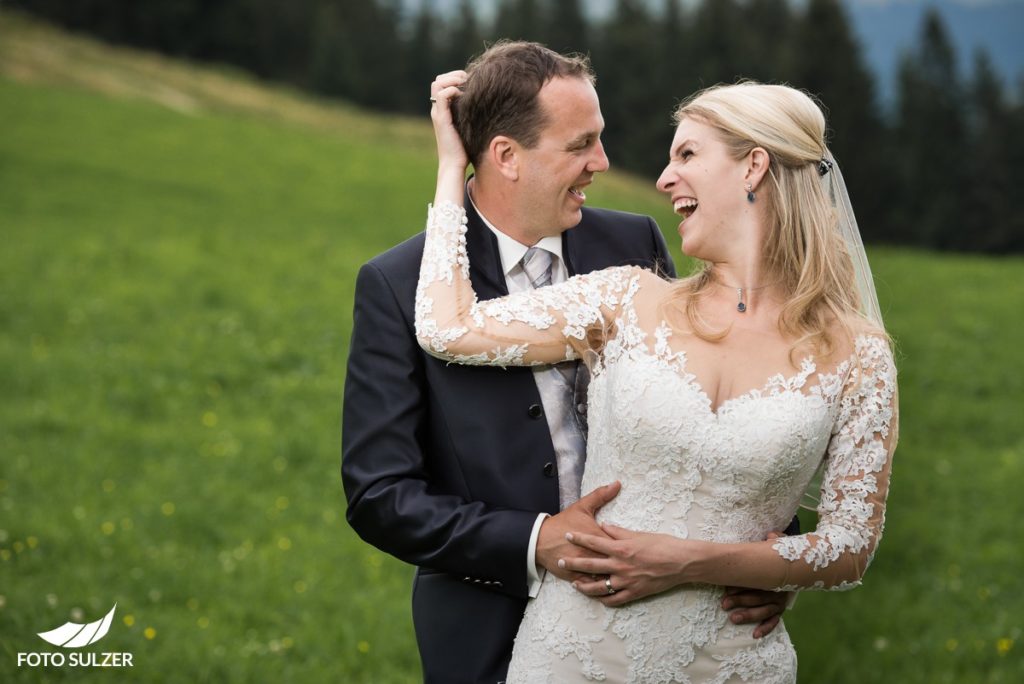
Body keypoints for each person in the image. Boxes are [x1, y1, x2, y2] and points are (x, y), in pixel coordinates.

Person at [417, 72, 898, 683]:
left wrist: (701, 562)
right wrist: (451, 166)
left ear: (753, 167)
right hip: (572, 658)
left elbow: (851, 547)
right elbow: (446, 327)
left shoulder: (859, 355)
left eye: (687, 155)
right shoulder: (625, 299)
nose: (665, 179)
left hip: (733, 665)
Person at [342, 41, 790, 684]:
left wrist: (764, 557)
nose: (602, 163)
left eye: (599, 140)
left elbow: (716, 404)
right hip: (489, 628)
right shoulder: (399, 283)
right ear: (506, 157)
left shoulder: (633, 242)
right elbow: (379, 494)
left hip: (670, 614)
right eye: (580, 145)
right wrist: (534, 540)